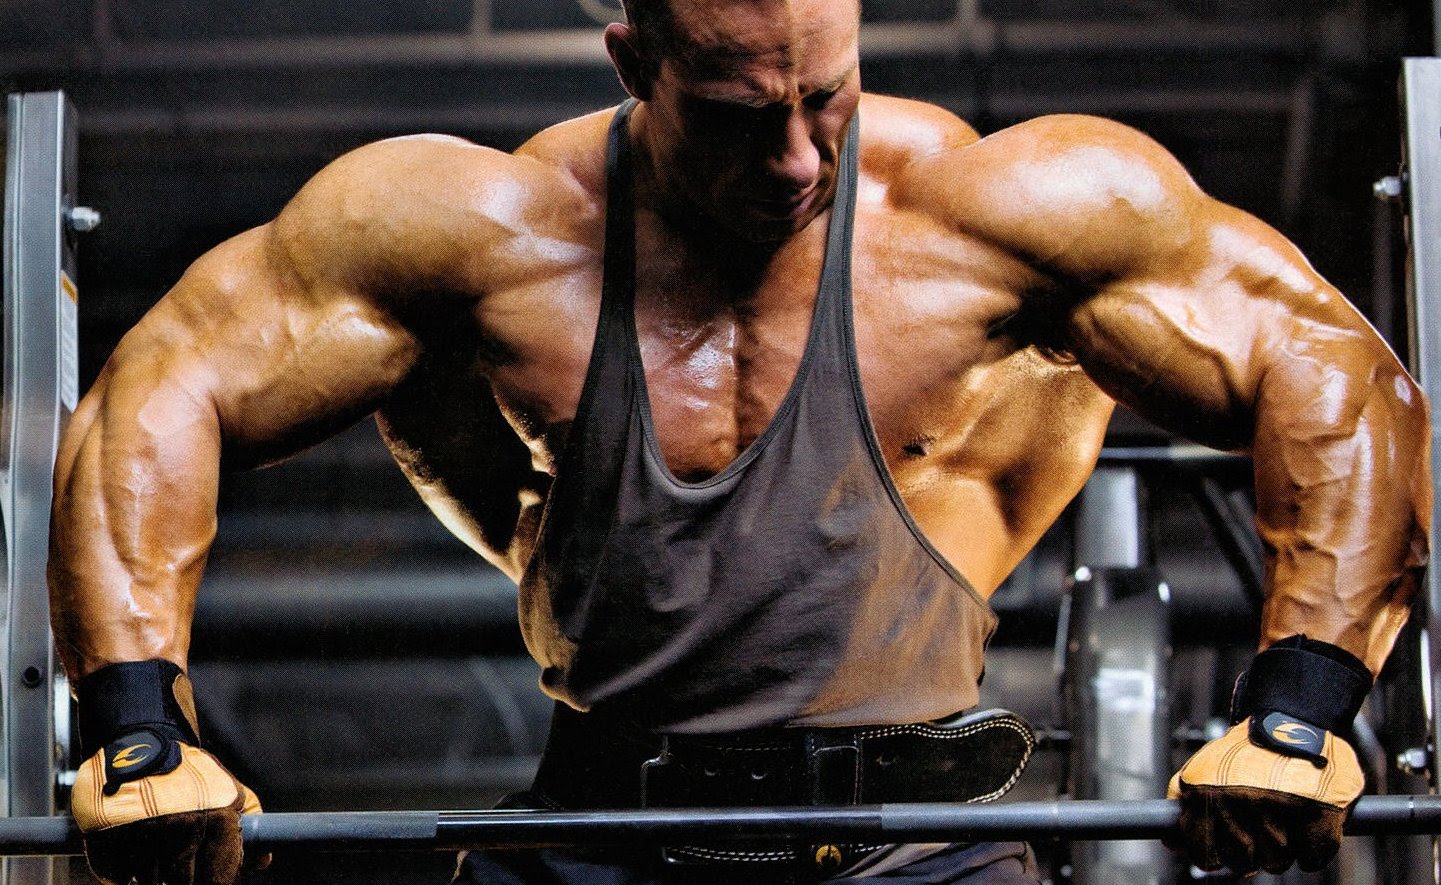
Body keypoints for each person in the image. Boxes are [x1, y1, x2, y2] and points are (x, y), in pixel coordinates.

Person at [47, 0, 1430, 882]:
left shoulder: (1004, 214)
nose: (795, 162)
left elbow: (1332, 370)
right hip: (596, 833)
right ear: (632, 63)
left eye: (824, 98)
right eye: (736, 117)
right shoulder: (479, 232)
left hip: (917, 849)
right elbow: (163, 386)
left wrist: (1298, 708)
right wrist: (136, 735)